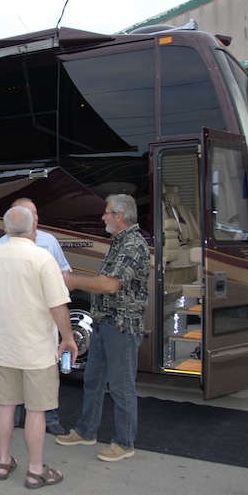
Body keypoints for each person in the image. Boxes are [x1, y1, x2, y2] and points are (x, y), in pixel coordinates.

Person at [0, 206, 78, 488]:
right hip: (36, 349)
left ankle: (3, 462)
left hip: (4, 346)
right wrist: (68, 338)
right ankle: (36, 470)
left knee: (6, 404)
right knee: (36, 411)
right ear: (34, 229)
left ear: (6, 230)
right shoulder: (41, 257)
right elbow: (57, 304)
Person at [55, 194, 150, 462]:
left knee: (121, 387)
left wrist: (73, 282)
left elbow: (110, 284)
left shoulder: (133, 245)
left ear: (119, 216)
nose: (103, 217)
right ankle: (86, 432)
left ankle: (124, 442)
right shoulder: (118, 242)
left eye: (107, 213)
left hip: (122, 327)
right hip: (103, 323)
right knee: (93, 380)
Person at [0, 197, 70, 435]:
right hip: (23, 334)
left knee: (31, 393)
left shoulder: (49, 242)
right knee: (27, 389)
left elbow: (64, 271)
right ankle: (32, 458)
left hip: (33, 331)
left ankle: (50, 419)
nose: (34, 218)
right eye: (29, 213)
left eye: (36, 213)